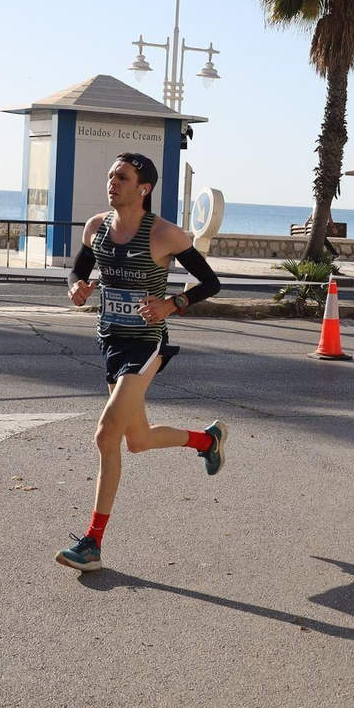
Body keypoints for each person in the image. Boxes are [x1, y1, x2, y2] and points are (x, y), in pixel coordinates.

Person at [55, 152, 226, 573]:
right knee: (139, 440)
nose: (112, 181)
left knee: (105, 434)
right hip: (110, 341)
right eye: (111, 174)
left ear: (143, 188)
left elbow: (211, 282)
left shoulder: (165, 234)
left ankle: (92, 542)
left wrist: (173, 303)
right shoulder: (96, 227)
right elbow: (77, 270)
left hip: (146, 345)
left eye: (122, 177)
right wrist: (76, 287)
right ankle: (208, 441)